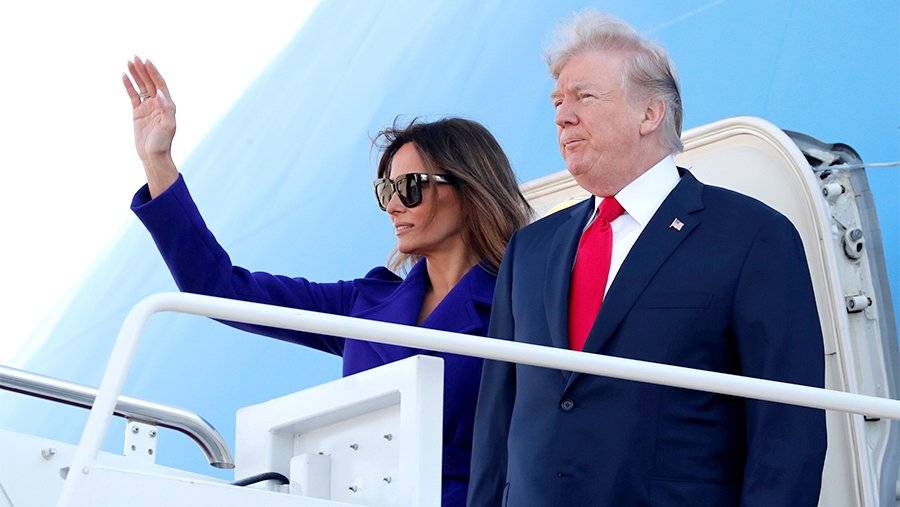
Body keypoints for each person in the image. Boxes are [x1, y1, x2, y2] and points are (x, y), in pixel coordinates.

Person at [121, 56, 532, 506]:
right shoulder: (364, 304)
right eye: (386, 190)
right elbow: (220, 290)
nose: (394, 205)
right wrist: (157, 161)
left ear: (467, 188)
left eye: (410, 187)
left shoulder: (524, 303)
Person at [468, 11, 826, 507]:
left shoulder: (751, 236)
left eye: (584, 97)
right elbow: (495, 427)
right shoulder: (530, 250)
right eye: (558, 101)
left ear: (650, 114)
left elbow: (788, 430)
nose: (562, 116)